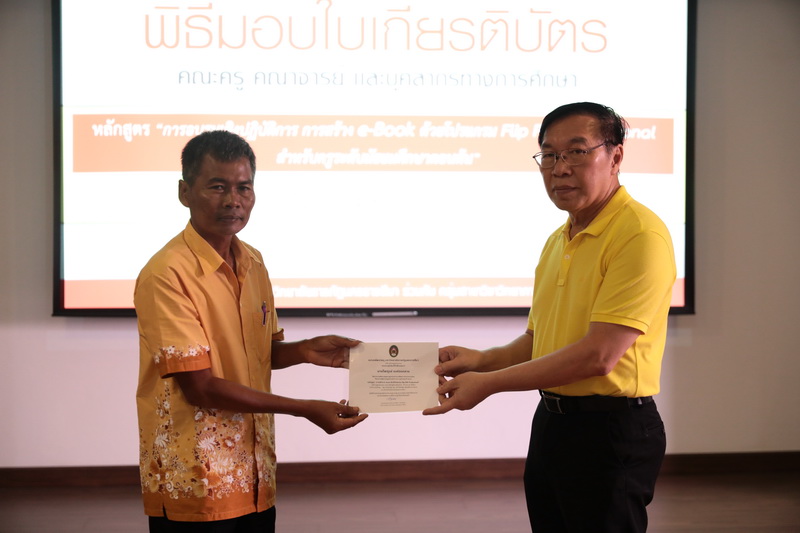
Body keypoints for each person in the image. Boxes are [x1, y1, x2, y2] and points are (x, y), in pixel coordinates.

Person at [423, 102, 676, 532]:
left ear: (615, 156)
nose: (559, 169)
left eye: (577, 152)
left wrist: (488, 384)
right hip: (553, 424)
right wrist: (480, 361)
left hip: (610, 430)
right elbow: (538, 340)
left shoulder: (639, 235)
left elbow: (599, 356)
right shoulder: (559, 239)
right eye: (549, 155)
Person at [134, 130, 368, 532]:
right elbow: (200, 387)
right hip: (197, 481)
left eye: (243, 187)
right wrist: (305, 408)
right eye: (217, 187)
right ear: (184, 192)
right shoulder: (166, 274)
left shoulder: (253, 262)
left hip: (256, 475)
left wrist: (307, 351)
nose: (233, 200)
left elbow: (260, 354)